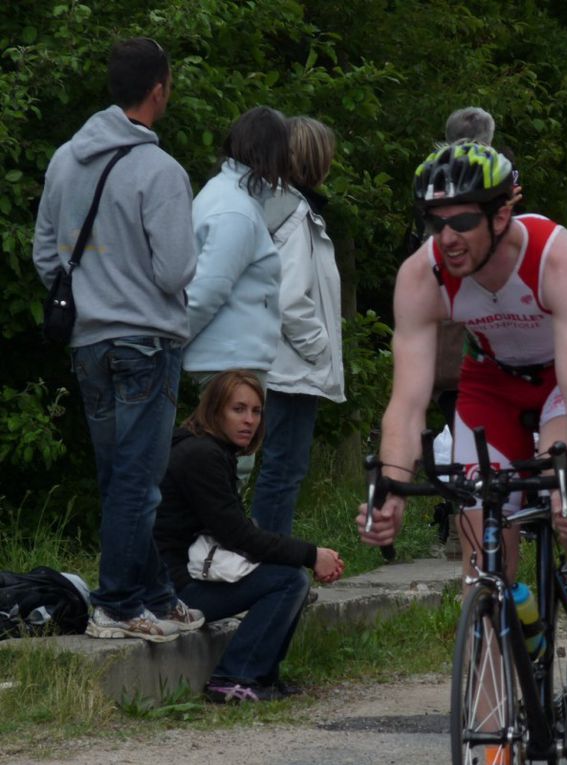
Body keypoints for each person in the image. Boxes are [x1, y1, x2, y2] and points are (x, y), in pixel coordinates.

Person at [357, 143, 567, 678]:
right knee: (478, 534)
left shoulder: (555, 256)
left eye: (462, 221)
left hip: (565, 374)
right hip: (492, 379)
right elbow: (407, 403)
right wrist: (390, 488)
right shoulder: (422, 274)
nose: (447, 238)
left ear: (502, 214)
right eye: (435, 223)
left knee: (559, 470)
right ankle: (493, 743)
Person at [32, 38, 201, 642]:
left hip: (87, 344)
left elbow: (46, 253)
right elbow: (177, 271)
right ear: (160, 88)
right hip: (147, 343)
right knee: (138, 478)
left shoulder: (64, 160)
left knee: (121, 476)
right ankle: (119, 603)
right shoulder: (161, 171)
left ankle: (154, 592)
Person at [154, 370, 344, 703]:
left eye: (256, 411)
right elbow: (238, 535)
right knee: (289, 580)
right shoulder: (200, 456)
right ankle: (235, 677)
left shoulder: (207, 449)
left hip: (176, 581)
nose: (250, 421)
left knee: (290, 576)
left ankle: (262, 677)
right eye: (238, 409)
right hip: (171, 591)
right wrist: (311, 554)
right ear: (215, 410)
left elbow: (236, 531)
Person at [249, 117, 345, 536]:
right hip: (290, 369)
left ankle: (268, 563)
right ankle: (273, 569)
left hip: (280, 362)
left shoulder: (277, 206)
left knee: (276, 469)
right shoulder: (293, 215)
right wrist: (319, 348)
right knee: (283, 470)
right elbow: (290, 298)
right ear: (315, 160)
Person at [185, 106, 291, 485]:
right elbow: (208, 289)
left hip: (226, 354)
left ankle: (214, 542)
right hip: (229, 358)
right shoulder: (237, 210)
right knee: (227, 474)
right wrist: (174, 341)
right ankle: (214, 545)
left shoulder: (227, 196)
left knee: (219, 470)